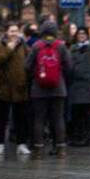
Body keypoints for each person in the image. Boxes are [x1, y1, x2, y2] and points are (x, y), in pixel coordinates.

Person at [25, 20, 71, 157]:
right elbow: (69, 66)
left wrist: (37, 74)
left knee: (39, 119)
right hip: (58, 88)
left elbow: (27, 66)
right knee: (58, 118)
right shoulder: (61, 46)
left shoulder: (36, 46)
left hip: (38, 89)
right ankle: (61, 149)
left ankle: (38, 150)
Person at [0, 22, 31, 155]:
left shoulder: (23, 45)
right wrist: (9, 49)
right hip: (4, 87)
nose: (14, 34)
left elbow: (29, 60)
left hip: (20, 87)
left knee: (21, 118)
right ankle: (0, 143)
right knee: (1, 118)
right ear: (6, 32)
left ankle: (21, 144)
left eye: (16, 31)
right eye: (11, 31)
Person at [68, 27, 90, 147]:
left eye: (83, 33)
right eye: (79, 33)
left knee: (89, 113)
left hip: (89, 85)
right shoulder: (73, 48)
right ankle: (78, 136)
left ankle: (89, 137)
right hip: (76, 85)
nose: (81, 35)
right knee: (77, 113)